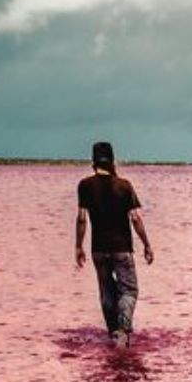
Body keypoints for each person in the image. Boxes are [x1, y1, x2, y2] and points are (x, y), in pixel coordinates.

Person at [75, 140, 153, 347]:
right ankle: (123, 330)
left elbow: (82, 218)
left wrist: (78, 246)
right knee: (129, 291)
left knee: (106, 291)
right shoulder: (124, 186)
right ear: (112, 161)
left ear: (93, 161)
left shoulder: (85, 185)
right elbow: (135, 218)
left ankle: (112, 334)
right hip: (122, 248)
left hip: (98, 249)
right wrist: (146, 244)